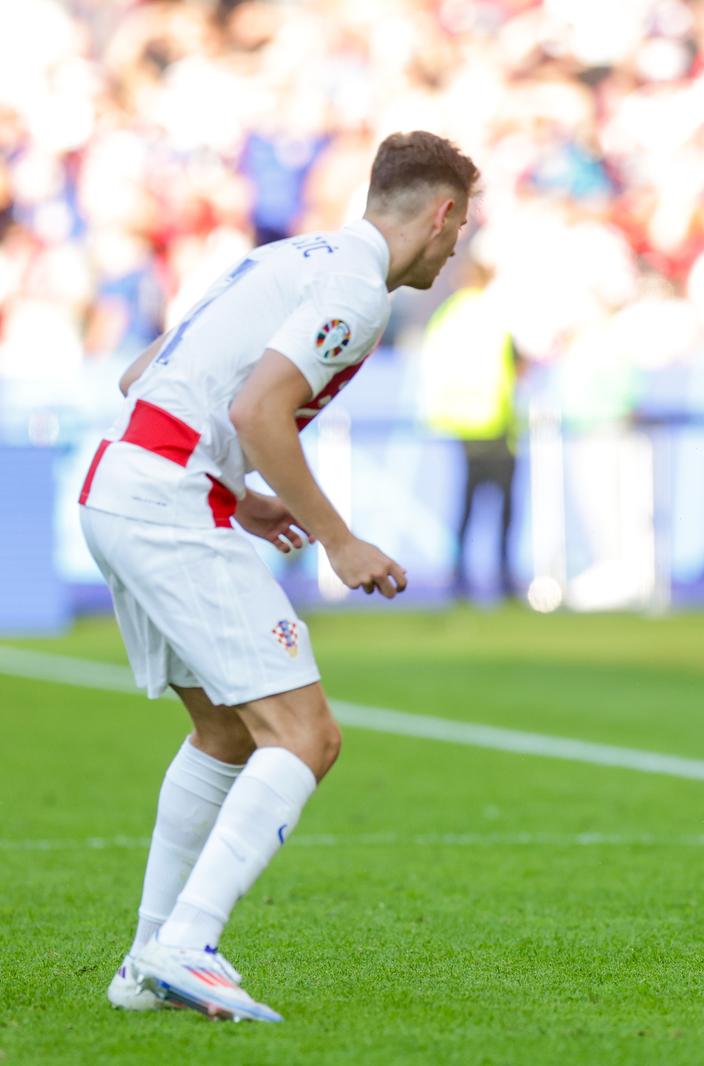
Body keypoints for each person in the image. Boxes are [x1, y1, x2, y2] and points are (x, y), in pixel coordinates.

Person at [79, 131, 478, 1021]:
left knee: (225, 731)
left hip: (123, 484)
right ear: (441, 212)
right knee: (307, 734)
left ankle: (148, 961)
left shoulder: (290, 254)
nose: (457, 249)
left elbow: (140, 372)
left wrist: (243, 491)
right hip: (169, 502)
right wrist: (340, 540)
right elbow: (258, 407)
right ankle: (189, 943)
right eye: (463, 228)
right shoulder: (356, 289)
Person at [417, 255, 523, 599]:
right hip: (495, 422)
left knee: (466, 502)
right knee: (504, 505)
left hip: (459, 422)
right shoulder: (495, 315)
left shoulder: (446, 317)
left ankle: (459, 575)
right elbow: (515, 363)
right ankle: (504, 575)